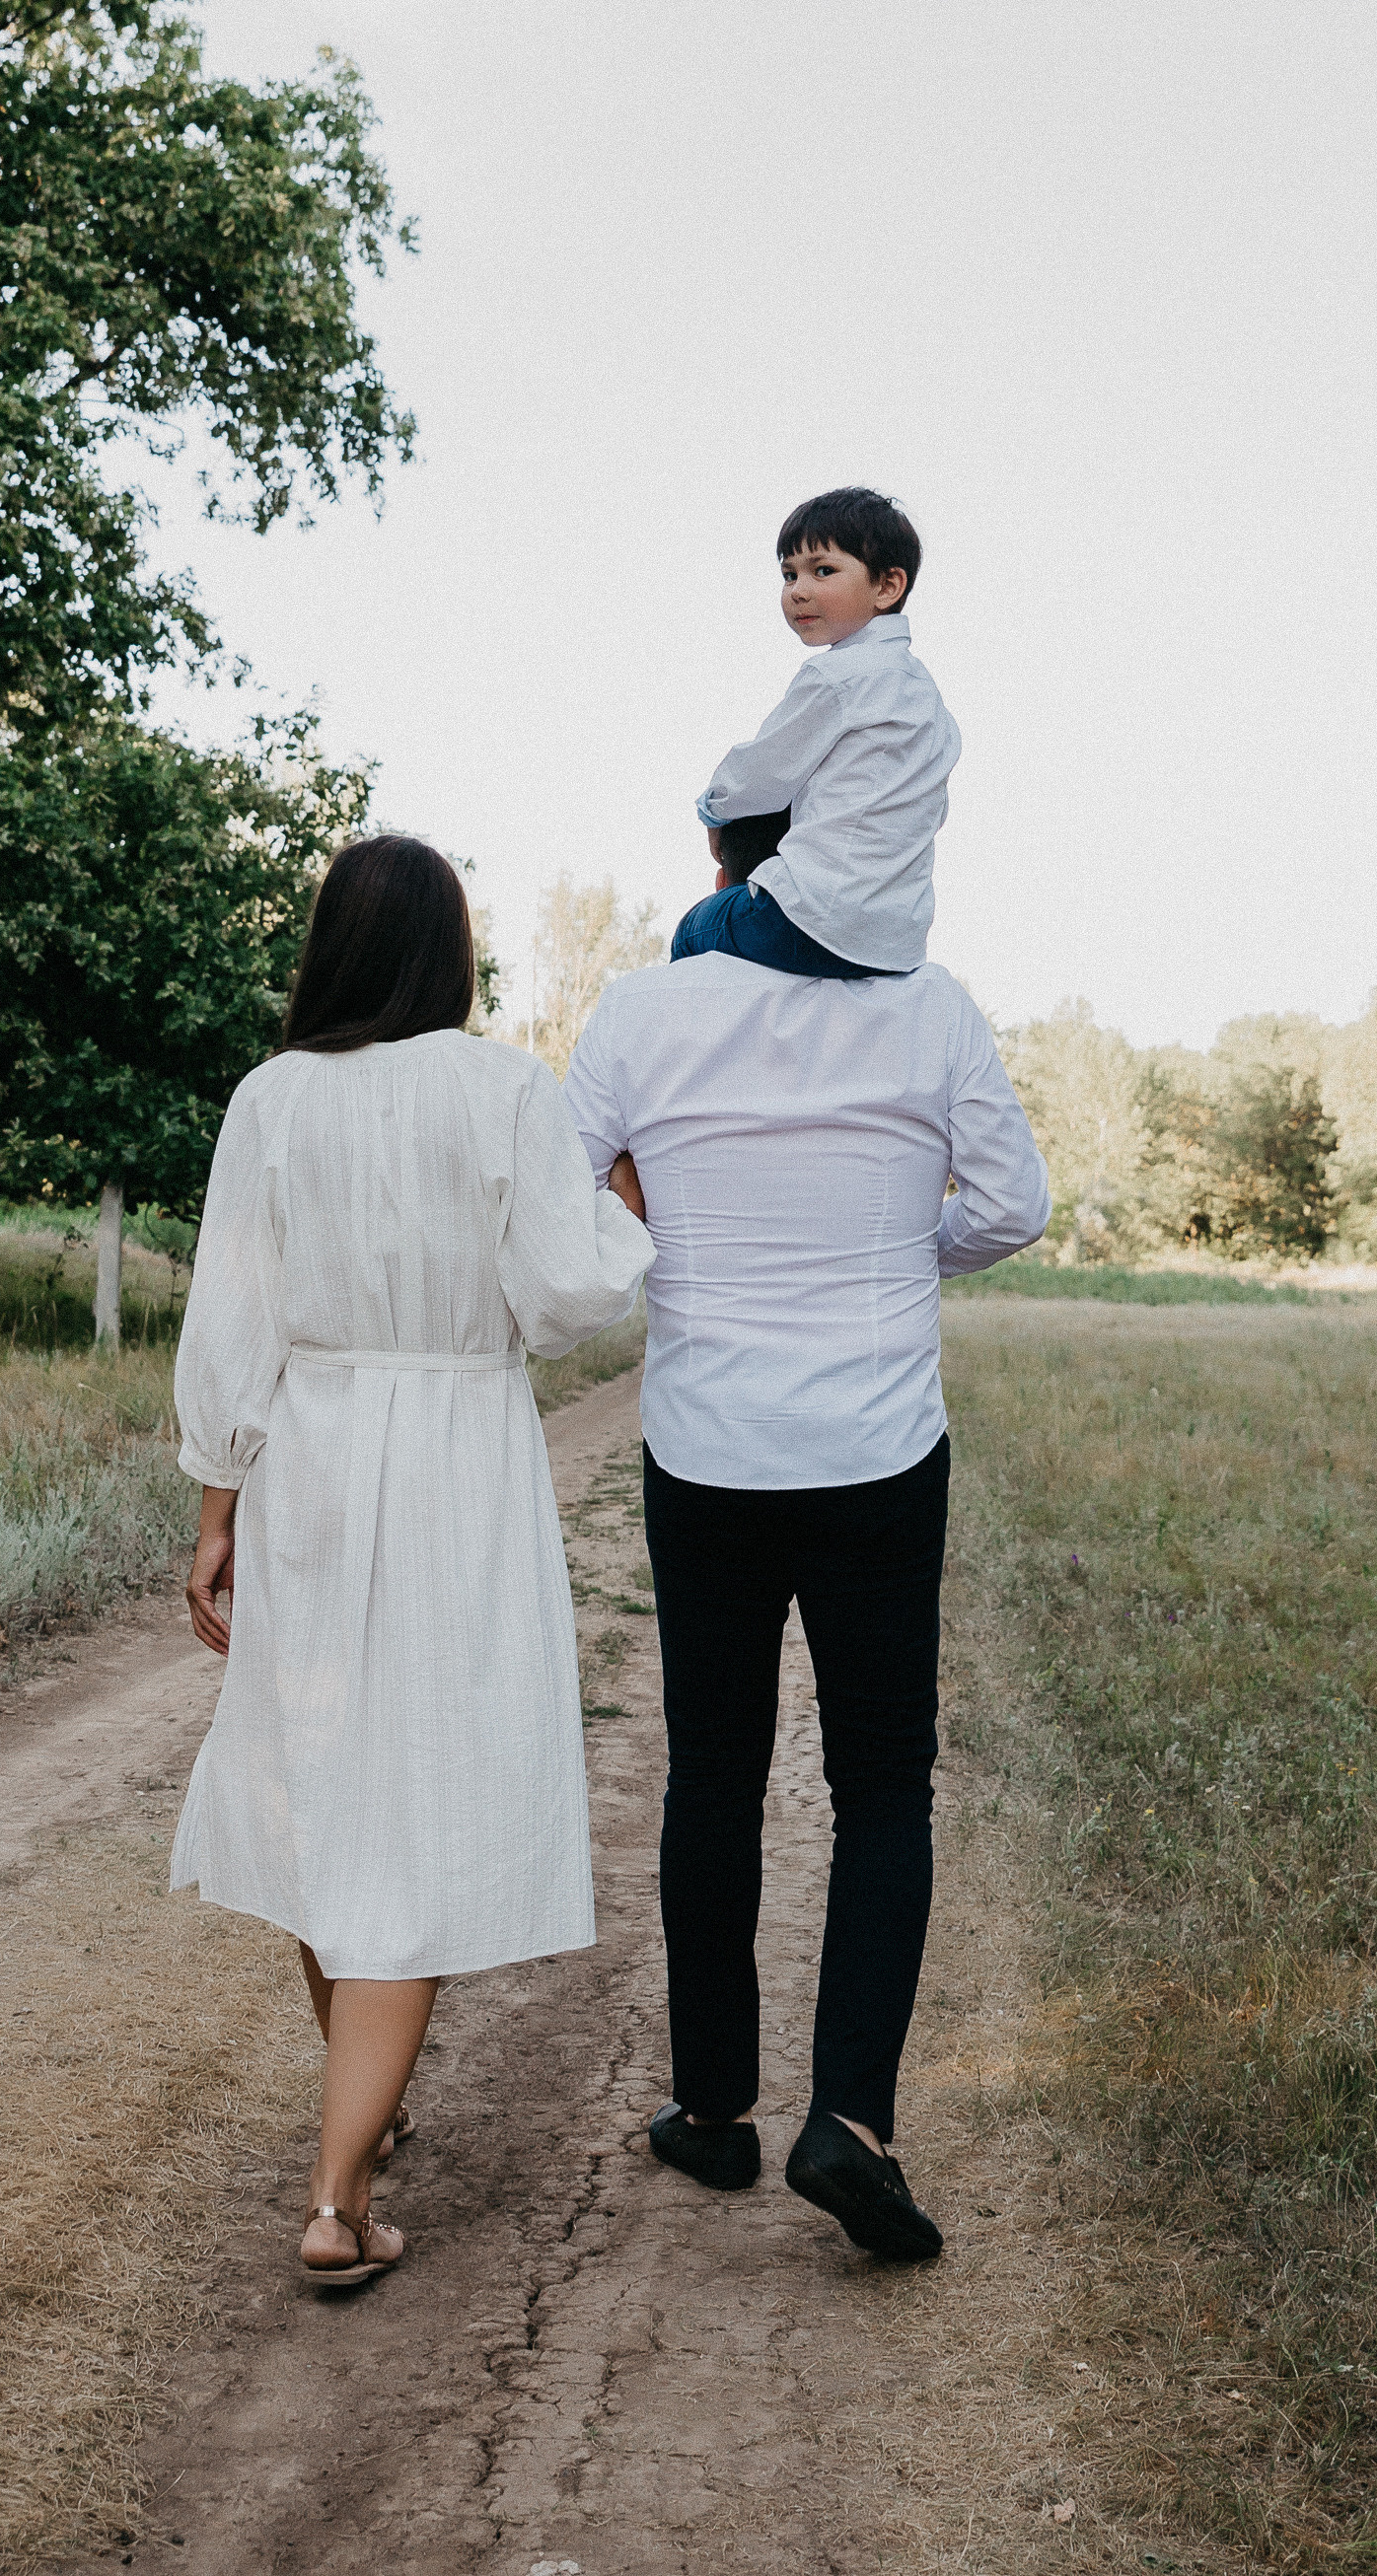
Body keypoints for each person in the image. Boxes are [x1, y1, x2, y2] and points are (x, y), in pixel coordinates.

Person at [170, 832, 654, 2292]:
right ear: (450, 954)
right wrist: (625, 1209)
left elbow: (227, 1315)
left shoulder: (270, 1099)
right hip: (452, 1462)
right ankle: (335, 2199)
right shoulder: (502, 1087)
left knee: (332, 1798)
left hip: (312, 1452)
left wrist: (214, 1510)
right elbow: (564, 1295)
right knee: (418, 1800)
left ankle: (359, 2127)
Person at [568, 809, 1050, 2261]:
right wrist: (902, 1248)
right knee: (881, 1786)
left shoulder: (644, 1008)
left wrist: (671, 1243)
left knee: (712, 1770)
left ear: (725, 861)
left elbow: (552, 1188)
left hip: (707, 1441)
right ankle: (851, 2119)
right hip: (877, 1448)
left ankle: (713, 2112)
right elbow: (1014, 1207)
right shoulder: (930, 1003)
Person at [679, 484, 960, 983]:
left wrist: (712, 810)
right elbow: (933, 808)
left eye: (822, 570)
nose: (798, 590)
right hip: (894, 943)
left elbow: (762, 772)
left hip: (809, 918)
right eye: (788, 575)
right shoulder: (927, 701)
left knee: (695, 931)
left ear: (887, 587)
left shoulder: (837, 676)